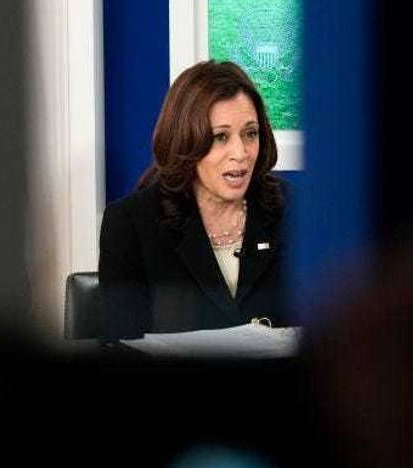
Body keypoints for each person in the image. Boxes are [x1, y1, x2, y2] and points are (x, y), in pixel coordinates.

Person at [98, 60, 290, 342]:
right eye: (220, 137)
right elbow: (119, 348)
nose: (240, 152)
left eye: (250, 133)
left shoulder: (295, 211)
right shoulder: (130, 225)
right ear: (187, 141)